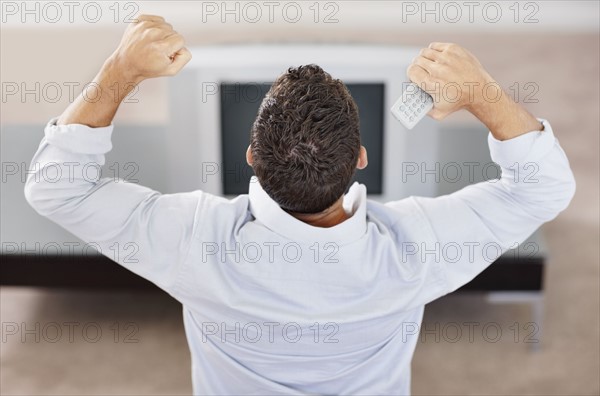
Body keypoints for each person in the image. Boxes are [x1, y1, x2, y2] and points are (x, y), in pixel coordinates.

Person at [24, 15, 576, 395]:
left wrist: (119, 71)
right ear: (361, 157)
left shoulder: (194, 239)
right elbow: (544, 187)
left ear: (250, 158)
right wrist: (481, 91)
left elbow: (56, 186)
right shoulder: (417, 248)